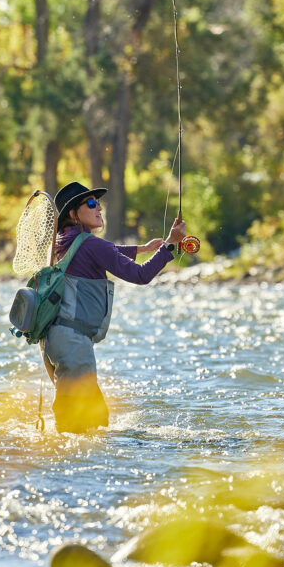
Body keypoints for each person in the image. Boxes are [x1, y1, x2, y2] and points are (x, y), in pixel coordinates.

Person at [41, 181, 188, 433]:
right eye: (90, 203)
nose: (98, 207)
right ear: (73, 214)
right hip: (73, 344)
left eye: (98, 202)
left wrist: (142, 248)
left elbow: (106, 251)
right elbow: (140, 275)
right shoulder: (90, 244)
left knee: (92, 418)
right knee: (82, 423)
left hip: (53, 341)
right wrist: (170, 246)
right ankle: (65, 466)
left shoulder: (63, 242)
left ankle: (61, 458)